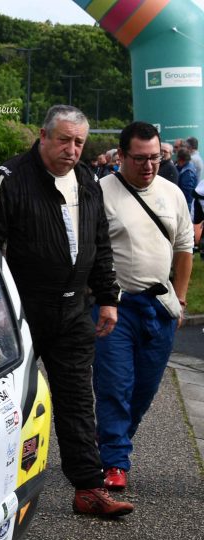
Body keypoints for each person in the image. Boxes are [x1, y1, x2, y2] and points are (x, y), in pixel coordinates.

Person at [0, 104, 133, 517]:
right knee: (5, 405)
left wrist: (108, 298)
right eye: (63, 139)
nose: (72, 149)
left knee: (78, 402)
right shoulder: (8, 178)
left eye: (79, 142)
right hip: (16, 317)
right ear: (43, 136)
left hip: (73, 311)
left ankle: (88, 488)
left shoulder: (87, 181)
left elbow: (100, 244)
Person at [93, 121, 193, 492]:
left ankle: (112, 439)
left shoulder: (172, 194)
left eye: (155, 158)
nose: (149, 166)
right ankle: (116, 462)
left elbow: (184, 249)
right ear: (121, 157)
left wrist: (180, 298)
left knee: (144, 389)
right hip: (115, 307)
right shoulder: (100, 192)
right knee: (115, 385)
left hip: (160, 306)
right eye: (139, 159)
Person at [175, 148, 198, 215]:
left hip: (187, 203)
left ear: (181, 160)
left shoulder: (188, 172)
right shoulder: (188, 166)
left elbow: (187, 191)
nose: (177, 161)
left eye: (178, 160)